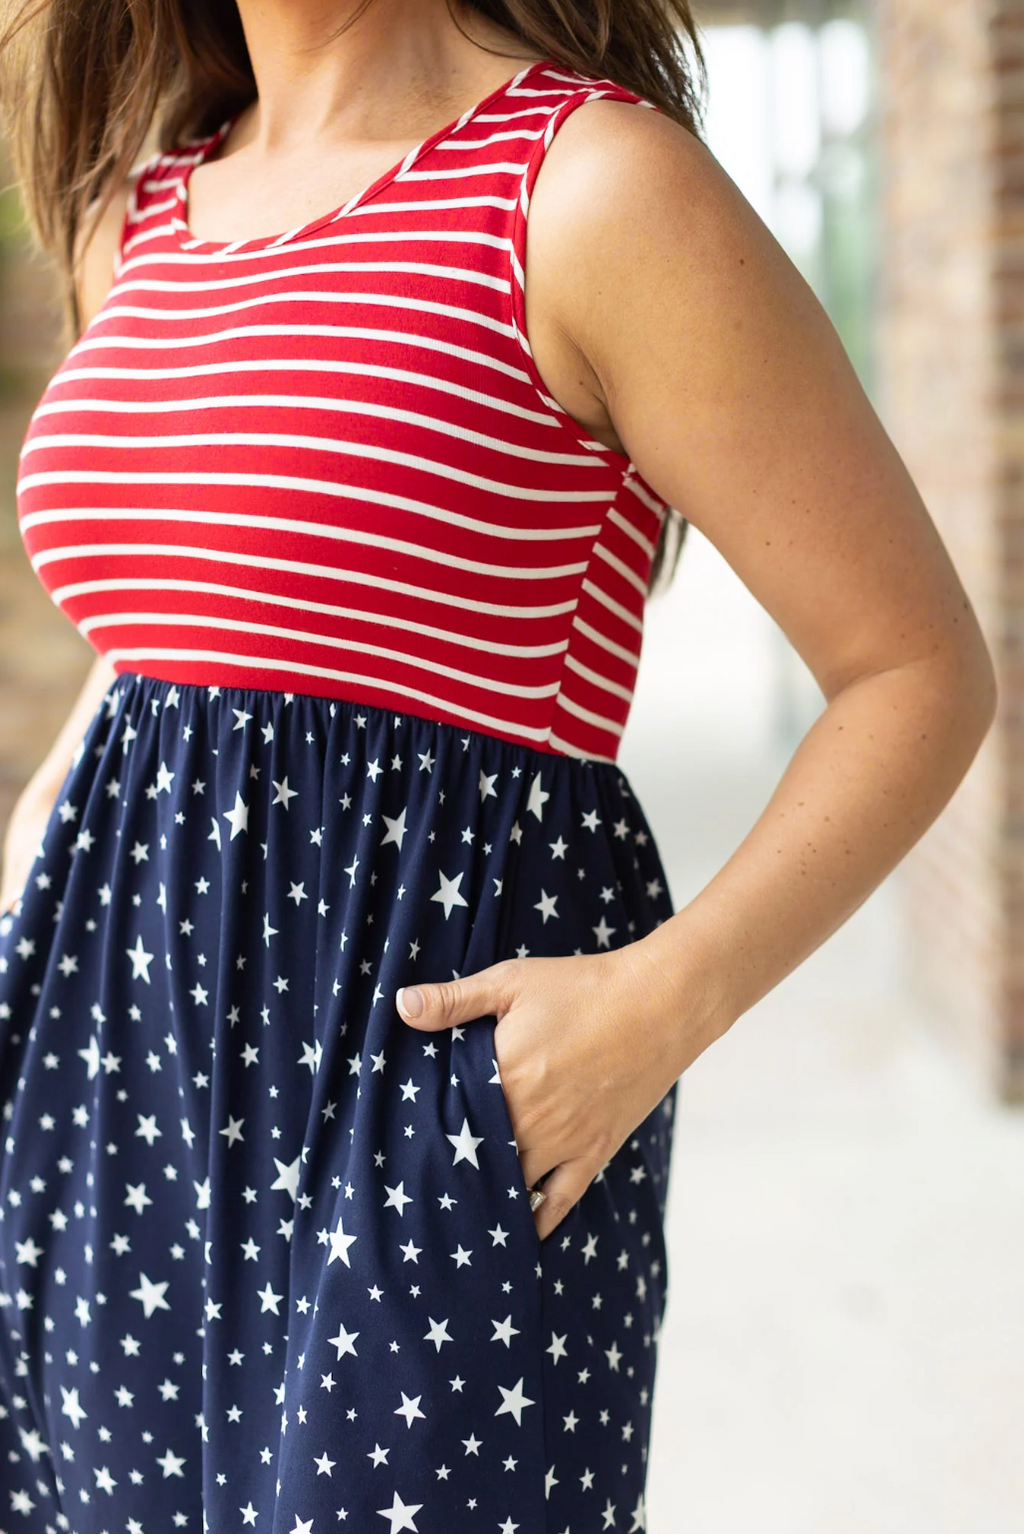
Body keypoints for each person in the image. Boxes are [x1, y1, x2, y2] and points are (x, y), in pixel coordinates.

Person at [0, 0, 995, 1528]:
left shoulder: (588, 189)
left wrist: (661, 1005)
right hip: (103, 1099)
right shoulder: (141, 214)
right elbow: (159, 645)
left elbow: (918, 670)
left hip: (421, 1115)